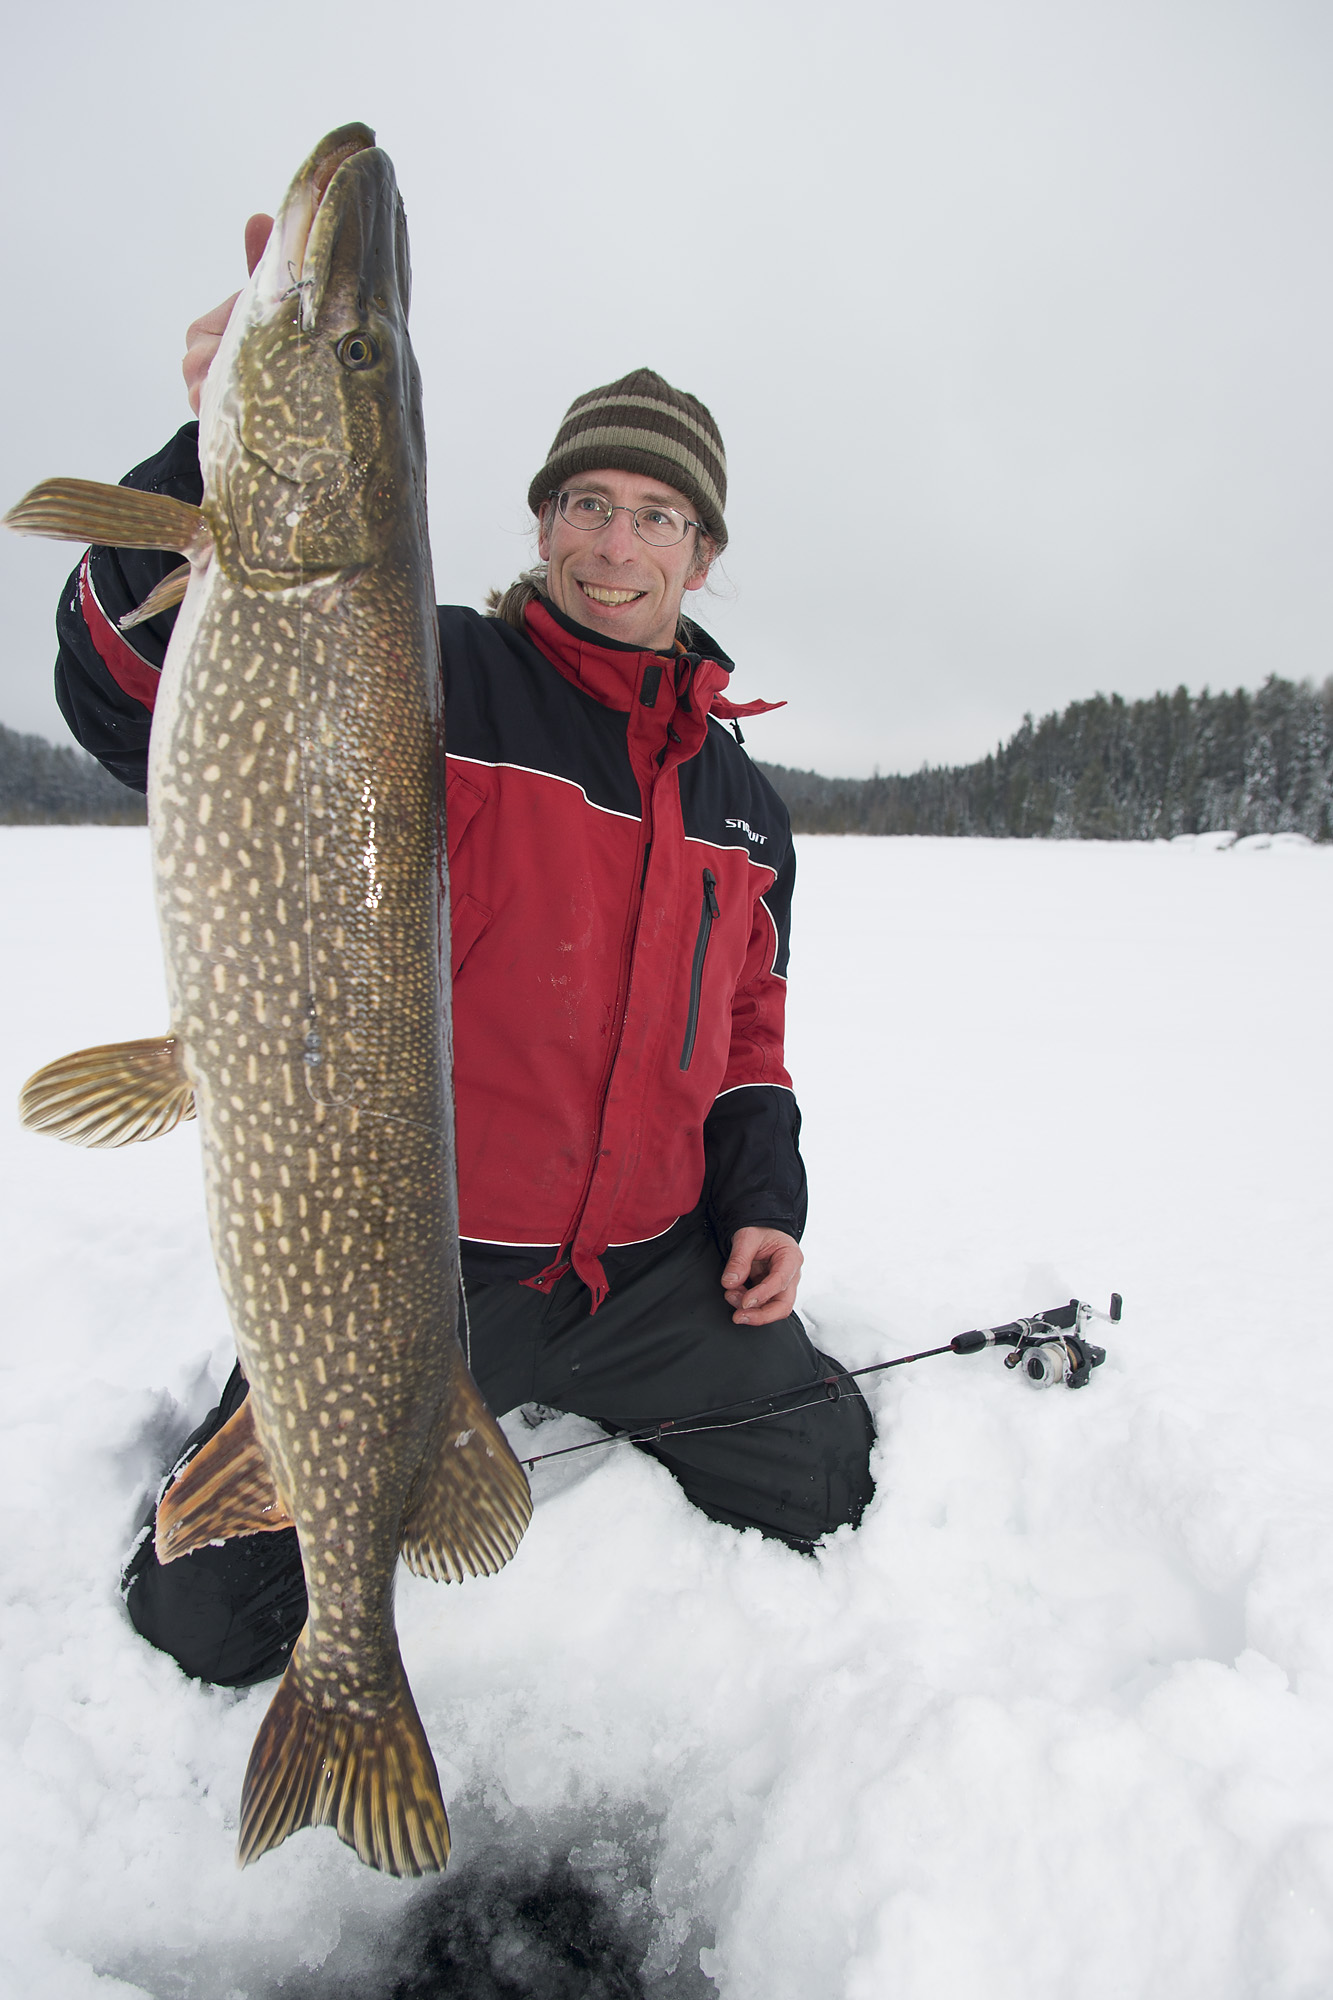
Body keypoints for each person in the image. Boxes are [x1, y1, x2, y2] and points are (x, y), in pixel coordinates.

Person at [52, 220, 876, 1688]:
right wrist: (206, 464)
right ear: (542, 520)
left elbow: (746, 1035)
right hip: (417, 1268)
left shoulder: (744, 812)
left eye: (653, 516)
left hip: (649, 1277)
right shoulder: (421, 679)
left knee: (829, 1483)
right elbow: (130, 699)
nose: (614, 543)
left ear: (703, 551)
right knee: (205, 1617)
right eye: (584, 502)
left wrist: (762, 1201)